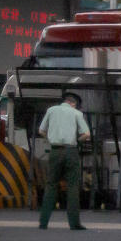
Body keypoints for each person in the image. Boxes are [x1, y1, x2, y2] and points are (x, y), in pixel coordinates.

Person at [38, 92, 91, 230]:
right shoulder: (76, 114)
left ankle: (43, 222)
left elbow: (41, 130)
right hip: (71, 151)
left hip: (55, 151)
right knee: (72, 186)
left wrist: (50, 139)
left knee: (51, 185)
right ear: (73, 104)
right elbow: (86, 134)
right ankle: (74, 223)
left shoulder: (51, 110)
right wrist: (76, 141)